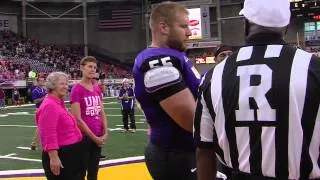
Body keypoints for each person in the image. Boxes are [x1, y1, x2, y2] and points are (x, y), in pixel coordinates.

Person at [194, 0, 320, 179]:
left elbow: (204, 148)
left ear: (246, 23)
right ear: (286, 26)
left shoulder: (213, 76)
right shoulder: (313, 68)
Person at [133, 1, 201, 180]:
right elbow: (190, 120)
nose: (189, 32)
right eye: (183, 26)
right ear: (163, 27)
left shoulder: (174, 56)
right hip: (176, 154)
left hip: (182, 152)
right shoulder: (158, 60)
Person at [36, 72, 86, 180]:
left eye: (67, 84)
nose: (66, 87)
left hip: (71, 154)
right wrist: (54, 158)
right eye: (62, 84)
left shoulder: (58, 103)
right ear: (52, 86)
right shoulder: (49, 105)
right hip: (63, 155)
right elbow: (48, 133)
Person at [70, 56, 108, 180]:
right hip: (83, 137)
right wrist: (94, 138)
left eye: (94, 67)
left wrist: (105, 132)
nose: (92, 70)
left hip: (97, 136)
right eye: (89, 66)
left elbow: (101, 111)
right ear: (82, 68)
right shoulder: (77, 89)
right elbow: (77, 119)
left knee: (93, 172)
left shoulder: (96, 87)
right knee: (80, 173)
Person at [30, 77, 48, 150]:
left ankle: (35, 144)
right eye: (41, 81)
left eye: (43, 80)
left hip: (45, 109)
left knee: (43, 127)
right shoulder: (35, 90)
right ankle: (35, 144)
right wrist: (44, 97)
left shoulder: (44, 89)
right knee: (41, 127)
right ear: (37, 82)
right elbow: (35, 101)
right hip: (39, 110)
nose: (42, 82)